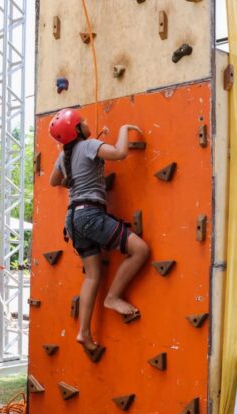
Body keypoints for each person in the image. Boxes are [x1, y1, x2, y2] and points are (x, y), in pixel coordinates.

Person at [48, 109, 150, 354]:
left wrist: (73, 178)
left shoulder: (64, 155)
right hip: (90, 215)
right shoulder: (90, 145)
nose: (86, 122)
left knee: (93, 276)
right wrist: (124, 128)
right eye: (81, 121)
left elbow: (54, 181)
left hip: (73, 219)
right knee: (140, 250)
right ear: (77, 130)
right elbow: (120, 153)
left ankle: (84, 332)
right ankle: (113, 297)